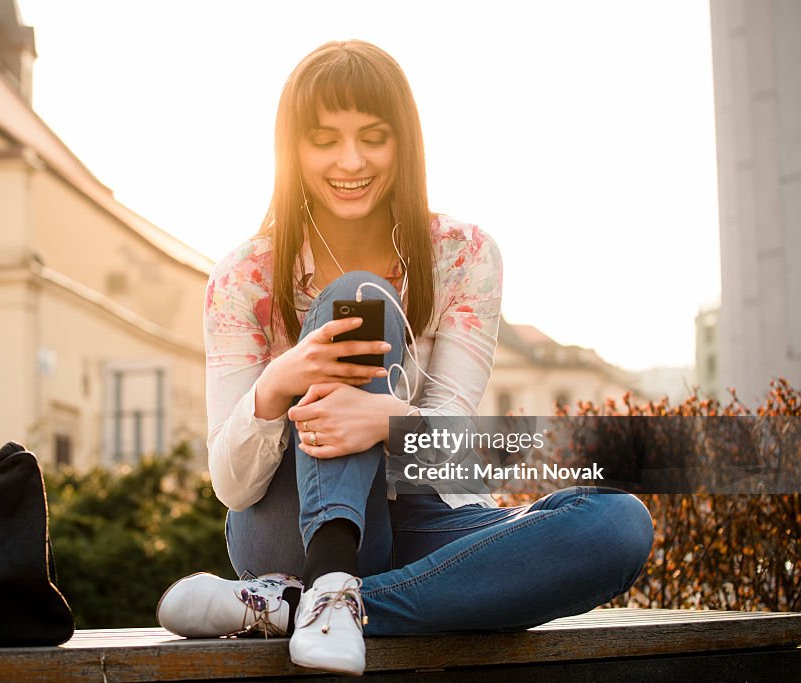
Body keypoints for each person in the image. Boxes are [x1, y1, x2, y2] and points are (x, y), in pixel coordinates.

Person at [156, 39, 653, 676]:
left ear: (405, 143)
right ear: (293, 149)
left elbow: (451, 451)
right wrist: (279, 384)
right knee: (357, 300)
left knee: (618, 524)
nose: (351, 160)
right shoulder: (243, 277)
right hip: (287, 526)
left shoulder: (465, 256)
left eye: (373, 136)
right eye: (324, 139)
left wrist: (394, 427)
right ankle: (328, 577)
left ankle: (302, 607)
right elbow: (232, 485)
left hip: (420, 520)